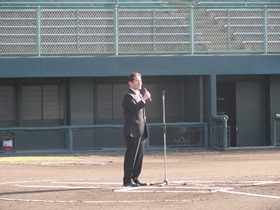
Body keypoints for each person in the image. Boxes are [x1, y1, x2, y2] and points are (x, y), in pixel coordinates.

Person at [122, 72, 151, 187]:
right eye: (137, 81)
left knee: (139, 155)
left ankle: (135, 177)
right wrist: (144, 99)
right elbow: (134, 109)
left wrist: (142, 98)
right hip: (132, 130)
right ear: (130, 83)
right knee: (131, 155)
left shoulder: (138, 95)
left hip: (142, 129)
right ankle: (127, 180)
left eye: (140, 81)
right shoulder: (128, 96)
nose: (140, 83)